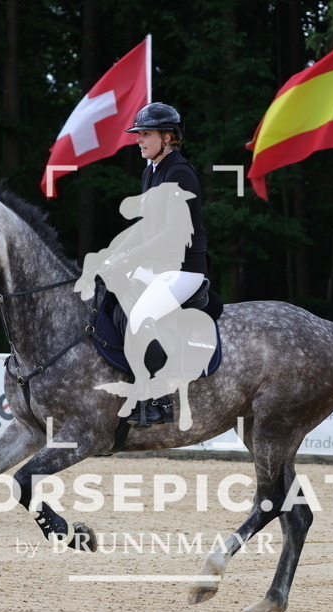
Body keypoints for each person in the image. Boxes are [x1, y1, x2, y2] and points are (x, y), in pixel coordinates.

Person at [116, 102, 211, 428]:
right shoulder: (151, 170)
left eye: (145, 134)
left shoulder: (180, 172)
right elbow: (144, 225)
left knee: (141, 315)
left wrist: (132, 258)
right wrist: (116, 254)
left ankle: (159, 401)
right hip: (157, 266)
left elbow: (172, 234)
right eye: (138, 134)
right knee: (108, 294)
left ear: (167, 137)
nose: (138, 140)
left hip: (182, 269)